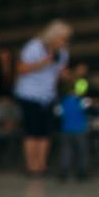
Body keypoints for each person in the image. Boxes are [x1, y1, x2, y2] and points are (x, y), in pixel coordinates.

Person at [15, 20, 71, 176]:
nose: (64, 42)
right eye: (62, 38)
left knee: (45, 132)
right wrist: (43, 63)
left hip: (48, 96)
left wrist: (65, 75)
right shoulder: (33, 47)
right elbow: (21, 68)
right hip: (29, 94)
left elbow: (61, 71)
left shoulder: (63, 53)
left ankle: (41, 165)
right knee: (31, 131)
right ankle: (31, 165)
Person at [54, 64, 92, 181]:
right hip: (77, 129)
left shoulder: (65, 102)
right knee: (78, 152)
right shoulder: (80, 101)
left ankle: (67, 171)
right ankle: (79, 172)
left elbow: (57, 113)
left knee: (69, 152)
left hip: (69, 129)